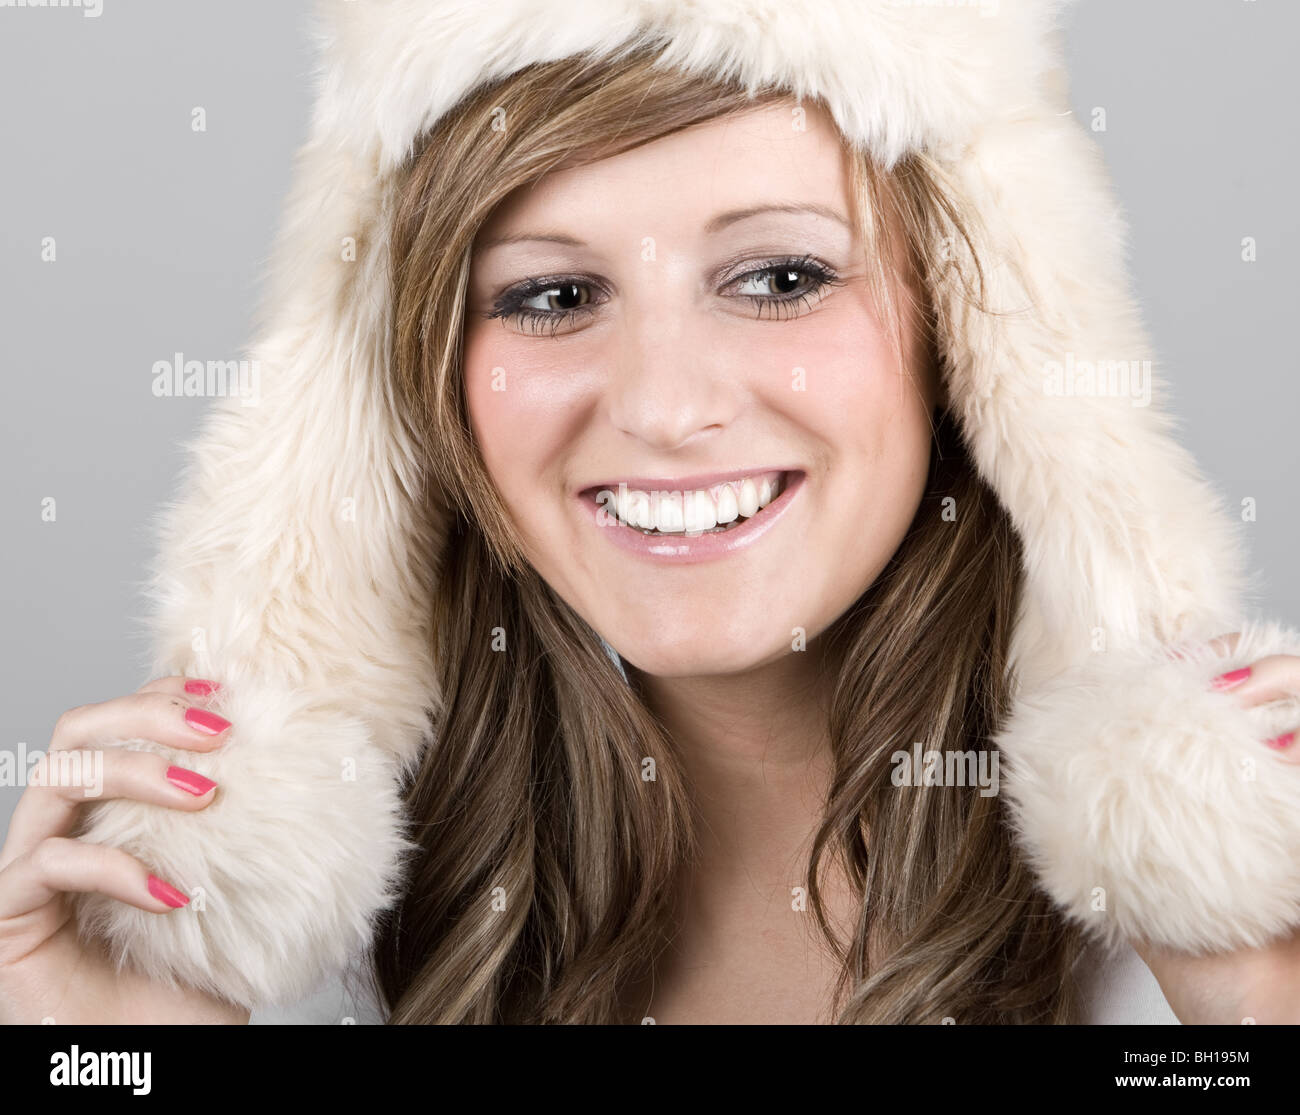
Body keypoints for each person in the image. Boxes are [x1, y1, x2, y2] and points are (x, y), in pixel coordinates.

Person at [3, 1, 1299, 1025]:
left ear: (971, 341)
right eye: (552, 298)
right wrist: (107, 1060)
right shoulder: (324, 949)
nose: (665, 408)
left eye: (781, 276)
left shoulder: (1212, 948)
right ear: (422, 381)